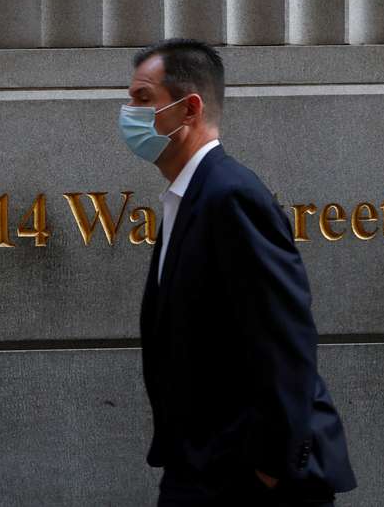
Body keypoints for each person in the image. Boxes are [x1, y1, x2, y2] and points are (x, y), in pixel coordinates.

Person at [118, 38, 357, 507]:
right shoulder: (191, 197)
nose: (128, 111)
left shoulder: (230, 196)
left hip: (245, 479)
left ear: (189, 110)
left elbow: (286, 336)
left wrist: (269, 467)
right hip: (202, 465)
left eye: (143, 99)